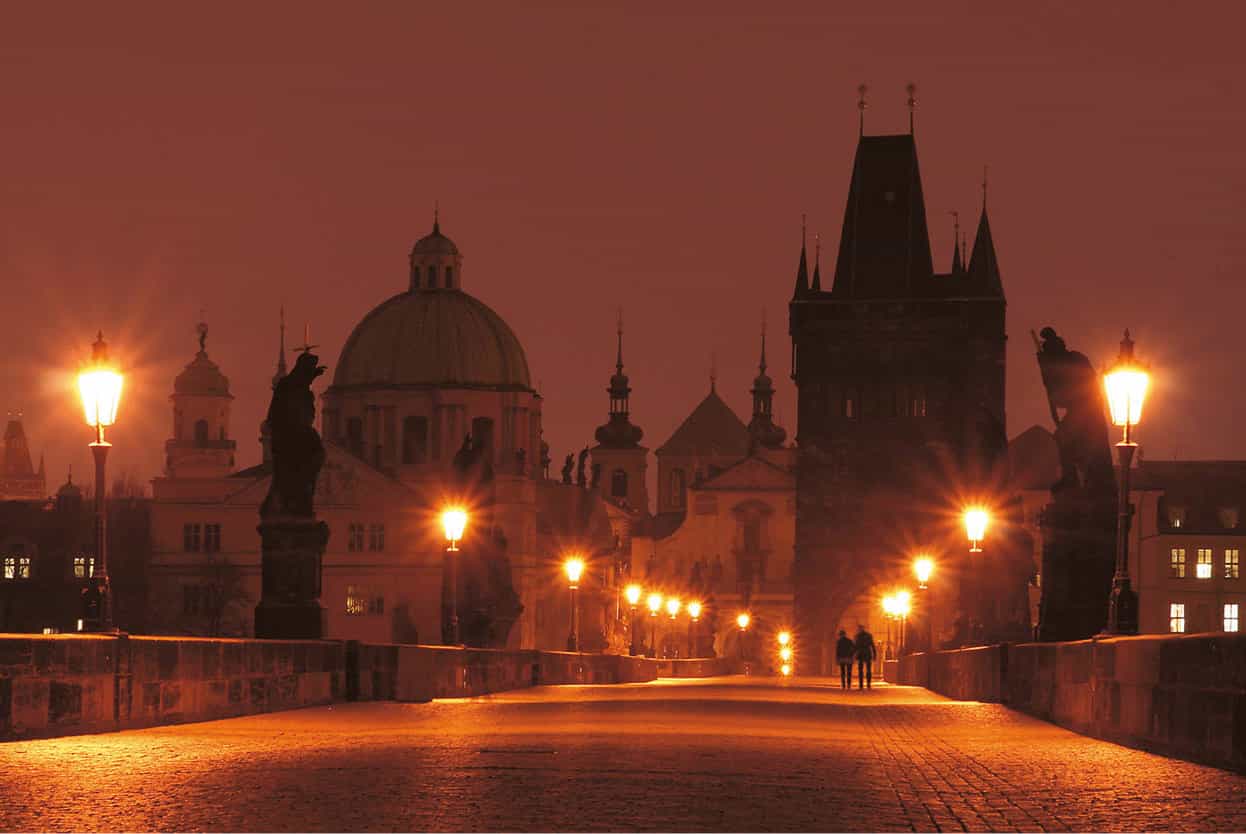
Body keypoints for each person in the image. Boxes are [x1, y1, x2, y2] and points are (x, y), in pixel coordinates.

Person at [854, 624, 876, 690]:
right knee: (868, 670)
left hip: (861, 653)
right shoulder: (869, 635)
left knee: (860, 670)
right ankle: (868, 684)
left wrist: (853, 655)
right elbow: (872, 645)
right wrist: (874, 654)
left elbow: (856, 646)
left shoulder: (857, 636)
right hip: (867, 653)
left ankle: (861, 685)